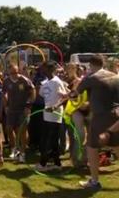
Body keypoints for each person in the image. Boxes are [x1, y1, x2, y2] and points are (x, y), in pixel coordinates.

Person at [72, 55, 119, 189]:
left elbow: (75, 94)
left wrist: (68, 95)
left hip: (100, 117)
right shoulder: (115, 76)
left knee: (92, 148)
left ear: (91, 65)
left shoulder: (91, 78)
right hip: (116, 116)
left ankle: (94, 181)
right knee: (116, 146)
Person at [36, 61, 69, 171]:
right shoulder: (45, 82)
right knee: (52, 140)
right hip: (46, 114)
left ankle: (43, 164)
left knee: (49, 140)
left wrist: (55, 107)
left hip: (55, 115)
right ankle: (57, 164)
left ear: (50, 70)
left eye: (43, 68)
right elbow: (41, 95)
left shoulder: (57, 82)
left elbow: (64, 97)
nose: (41, 70)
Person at [0, 64, 36, 163]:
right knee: (9, 129)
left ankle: (23, 153)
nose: (14, 75)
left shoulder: (24, 80)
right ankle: (14, 148)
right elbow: (4, 93)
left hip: (23, 109)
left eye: (16, 72)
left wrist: (29, 106)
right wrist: (6, 106)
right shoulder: (6, 81)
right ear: (9, 72)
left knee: (23, 130)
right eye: (12, 73)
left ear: (18, 71)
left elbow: (33, 91)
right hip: (11, 109)